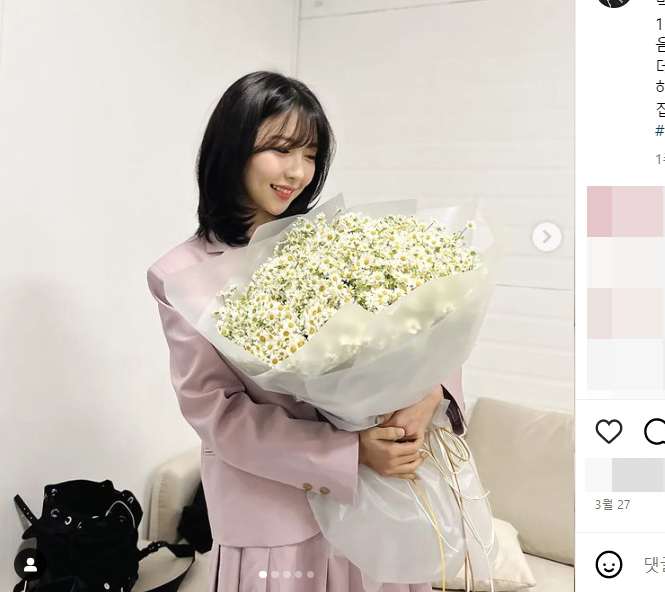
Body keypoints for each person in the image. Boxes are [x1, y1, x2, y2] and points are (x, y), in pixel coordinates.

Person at [147, 71, 466, 591]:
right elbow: (218, 414)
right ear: (233, 149)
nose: (297, 171)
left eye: (310, 154)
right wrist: (349, 452)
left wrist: (430, 393)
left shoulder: (335, 239)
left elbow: (424, 325)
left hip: (379, 502)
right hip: (273, 515)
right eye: (280, 149)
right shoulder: (181, 274)